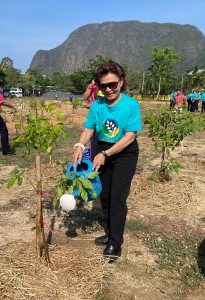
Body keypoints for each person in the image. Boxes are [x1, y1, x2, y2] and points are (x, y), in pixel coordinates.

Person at [73, 61, 142, 260]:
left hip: (124, 152)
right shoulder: (98, 104)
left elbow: (129, 136)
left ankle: (115, 243)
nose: (109, 89)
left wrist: (105, 154)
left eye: (113, 84)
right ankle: (111, 232)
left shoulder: (131, 104)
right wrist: (79, 145)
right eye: (104, 86)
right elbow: (89, 128)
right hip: (102, 149)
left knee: (117, 197)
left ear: (121, 82)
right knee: (104, 195)